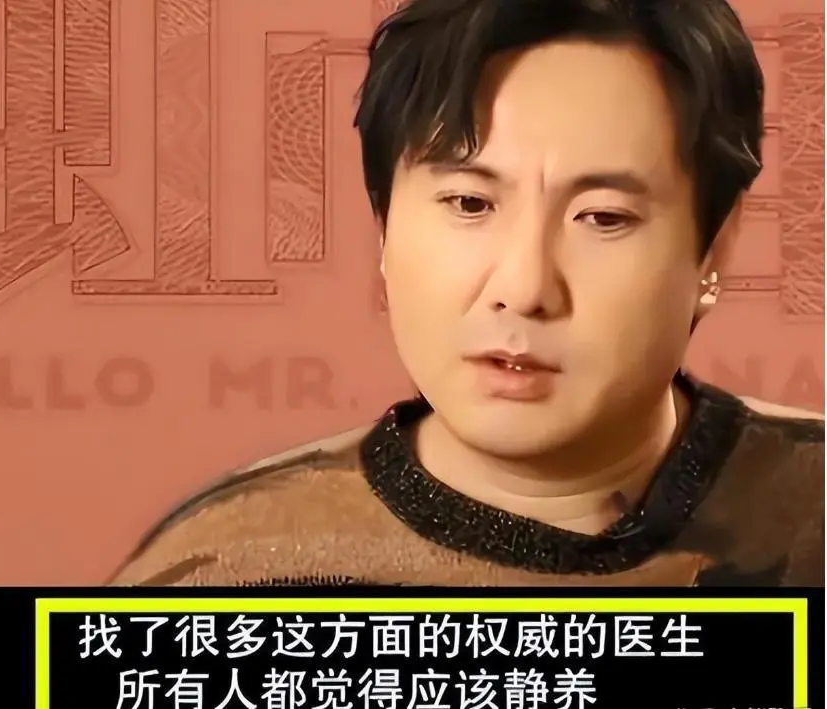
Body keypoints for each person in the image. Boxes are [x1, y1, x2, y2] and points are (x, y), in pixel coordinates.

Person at [108, 0, 824, 587]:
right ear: (384, 226)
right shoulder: (226, 574)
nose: (523, 288)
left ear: (714, 245)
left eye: (602, 217)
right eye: (469, 204)